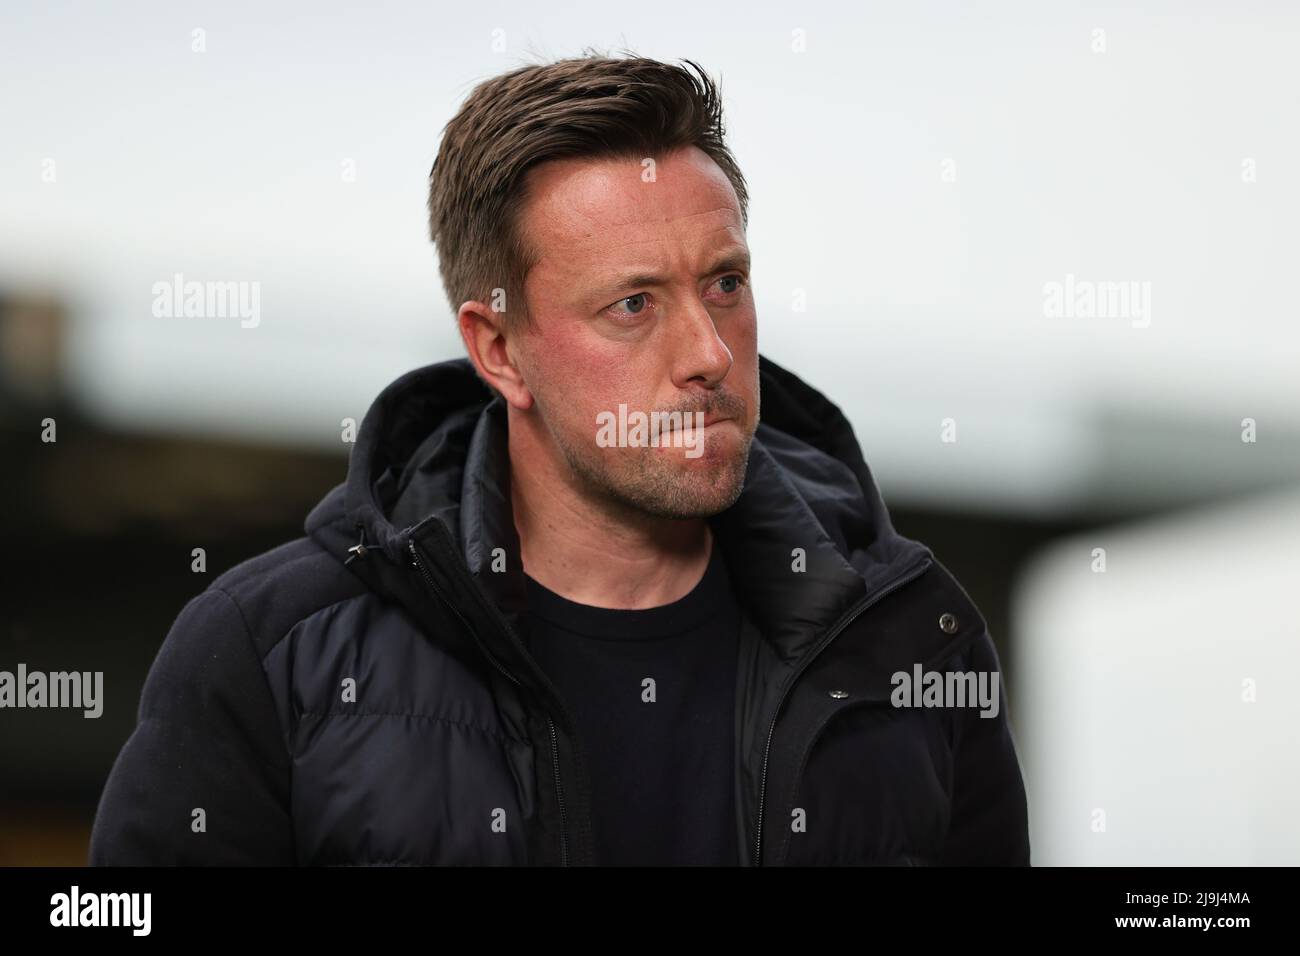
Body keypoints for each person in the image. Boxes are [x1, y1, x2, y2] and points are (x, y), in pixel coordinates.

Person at [89, 53, 1030, 866]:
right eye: (634, 304)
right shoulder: (269, 654)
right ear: (499, 349)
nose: (708, 351)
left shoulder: (911, 635)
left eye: (726, 283)